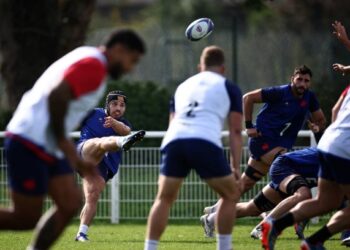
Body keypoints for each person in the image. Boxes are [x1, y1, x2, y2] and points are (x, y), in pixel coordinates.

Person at [2, 29, 145, 250]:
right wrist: (63, 142)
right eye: (132, 60)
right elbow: (57, 95)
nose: (130, 68)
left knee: (70, 203)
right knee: (25, 217)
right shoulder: (94, 65)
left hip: (46, 142)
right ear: (119, 50)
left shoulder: (87, 57)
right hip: (29, 138)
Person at [260, 21, 350, 250]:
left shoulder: (347, 89)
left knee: (326, 201)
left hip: (330, 141)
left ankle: (278, 225)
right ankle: (317, 239)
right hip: (347, 147)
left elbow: (334, 112)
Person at [144, 46, 243, 250]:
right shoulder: (229, 87)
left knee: (163, 199)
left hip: (174, 141)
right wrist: (236, 167)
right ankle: (224, 247)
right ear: (223, 69)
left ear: (200, 67)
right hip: (204, 140)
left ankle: (150, 248)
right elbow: (235, 131)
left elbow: (172, 123)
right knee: (231, 195)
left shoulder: (182, 87)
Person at [203, 65, 326, 214]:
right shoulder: (279, 92)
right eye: (299, 79)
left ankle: (214, 212)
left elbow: (320, 120)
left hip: (279, 143)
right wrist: (248, 126)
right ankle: (270, 217)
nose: (302, 84)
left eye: (306, 81)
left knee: (245, 184)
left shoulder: (309, 97)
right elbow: (248, 98)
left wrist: (317, 128)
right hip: (263, 140)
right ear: (292, 79)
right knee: (289, 170)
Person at [201, 147, 319, 240]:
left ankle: (210, 219)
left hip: (293, 175)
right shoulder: (332, 156)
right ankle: (263, 227)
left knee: (252, 208)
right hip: (285, 168)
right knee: (303, 195)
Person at [75, 90, 145, 242]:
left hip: (104, 166)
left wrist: (116, 124)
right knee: (100, 143)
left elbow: (126, 130)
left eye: (122, 105)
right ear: (107, 105)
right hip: (84, 152)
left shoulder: (124, 124)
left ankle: (81, 233)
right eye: (114, 104)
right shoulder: (93, 113)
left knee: (92, 196)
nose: (118, 108)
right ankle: (121, 142)